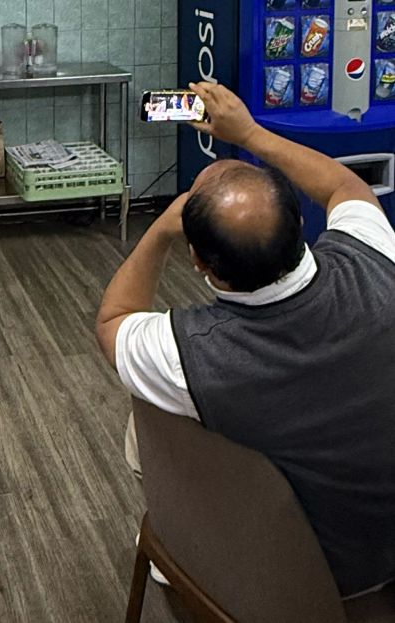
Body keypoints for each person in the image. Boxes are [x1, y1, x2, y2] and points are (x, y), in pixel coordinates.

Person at [96, 81, 395, 599]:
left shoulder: (188, 354)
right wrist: (251, 135)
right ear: (302, 223)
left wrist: (164, 228)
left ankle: (187, 543)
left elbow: (114, 319)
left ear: (200, 262)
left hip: (309, 579)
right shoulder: (375, 262)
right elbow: (345, 187)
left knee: (147, 422)